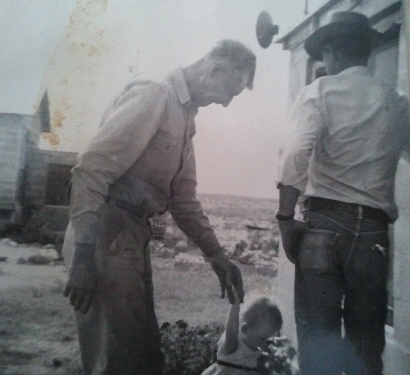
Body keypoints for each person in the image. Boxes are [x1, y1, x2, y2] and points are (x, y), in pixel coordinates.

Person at [62, 39, 256, 375]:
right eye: (230, 91)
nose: (226, 103)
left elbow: (183, 198)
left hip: (131, 237)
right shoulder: (154, 95)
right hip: (104, 233)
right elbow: (91, 169)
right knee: (116, 361)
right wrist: (83, 256)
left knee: (143, 356)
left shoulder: (185, 118)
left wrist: (216, 255)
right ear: (216, 69)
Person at [276, 12, 409, 375]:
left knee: (319, 347)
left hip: (323, 228)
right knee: (367, 348)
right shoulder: (397, 102)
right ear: (367, 52)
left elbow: (296, 155)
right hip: (373, 237)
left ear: (332, 51)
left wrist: (286, 220)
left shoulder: (318, 91)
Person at [202, 295, 282, 375]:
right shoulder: (233, 347)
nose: (265, 343)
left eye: (269, 340)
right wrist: (235, 304)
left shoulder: (254, 349)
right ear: (245, 329)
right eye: (262, 339)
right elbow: (231, 330)